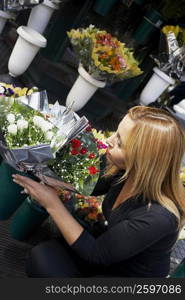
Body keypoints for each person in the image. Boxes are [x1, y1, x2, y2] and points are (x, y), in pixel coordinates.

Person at [12, 106, 185, 278]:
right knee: (43, 255)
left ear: (144, 160)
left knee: (46, 266)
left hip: (129, 276)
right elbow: (90, 184)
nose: (109, 140)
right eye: (116, 133)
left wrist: (51, 203)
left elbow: (97, 255)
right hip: (112, 249)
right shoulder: (125, 169)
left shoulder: (159, 217)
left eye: (119, 142)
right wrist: (40, 166)